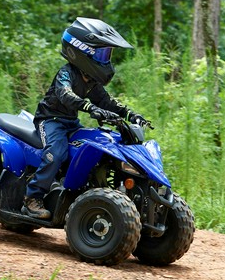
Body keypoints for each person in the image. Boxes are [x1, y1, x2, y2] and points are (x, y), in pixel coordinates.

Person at [21, 17, 151, 220]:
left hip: (70, 123)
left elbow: (107, 102)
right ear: (82, 51)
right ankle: (32, 198)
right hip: (50, 121)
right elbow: (66, 95)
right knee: (56, 153)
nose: (105, 58)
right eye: (101, 53)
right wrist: (89, 107)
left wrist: (129, 114)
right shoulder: (66, 74)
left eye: (107, 53)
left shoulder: (91, 81)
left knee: (93, 147)